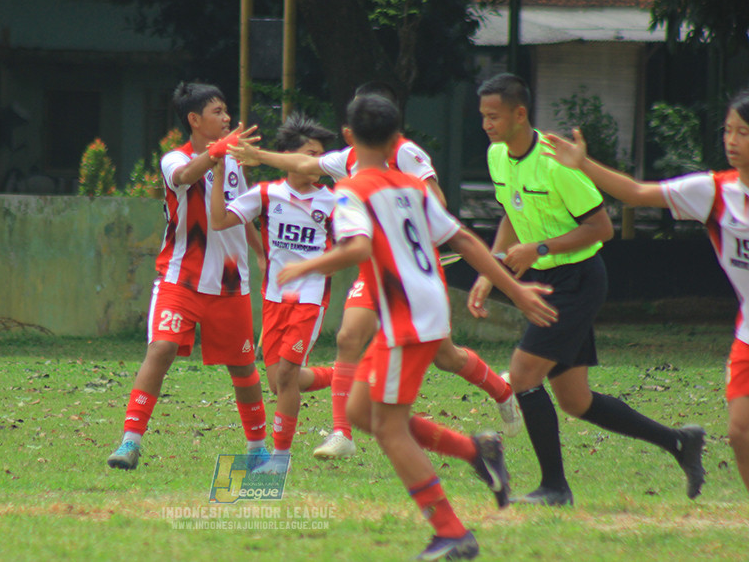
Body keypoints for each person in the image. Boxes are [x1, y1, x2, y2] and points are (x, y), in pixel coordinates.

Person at [278, 93, 558, 560]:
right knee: (362, 413)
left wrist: (308, 266)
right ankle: (476, 450)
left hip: (406, 315)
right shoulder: (411, 186)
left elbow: (358, 248)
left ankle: (452, 532)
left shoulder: (352, 188)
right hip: (422, 308)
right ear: (395, 140)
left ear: (347, 137)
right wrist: (516, 289)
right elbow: (464, 237)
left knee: (388, 429)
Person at [231, 83, 523, 462]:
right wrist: (257, 155)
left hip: (411, 274)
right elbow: (304, 165)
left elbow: (438, 206)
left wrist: (393, 223)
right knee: (350, 337)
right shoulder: (349, 161)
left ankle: (500, 392)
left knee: (445, 358)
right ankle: (343, 433)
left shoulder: (405, 155)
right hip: (375, 272)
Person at [469, 72, 706, 505]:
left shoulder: (556, 162)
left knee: (523, 375)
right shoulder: (496, 156)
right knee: (576, 400)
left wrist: (539, 246)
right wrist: (491, 269)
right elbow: (509, 214)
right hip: (545, 281)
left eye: (494, 116)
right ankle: (679, 442)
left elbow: (601, 228)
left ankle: (555, 488)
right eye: (483, 116)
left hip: (578, 280)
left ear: (520, 114)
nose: (486, 124)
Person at [544, 88, 749, 496]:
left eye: (743, 133)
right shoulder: (714, 191)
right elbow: (636, 194)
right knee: (740, 431)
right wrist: (583, 164)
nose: (731, 141)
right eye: (728, 130)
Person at [107, 81, 268, 470]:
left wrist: (264, 256)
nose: (227, 118)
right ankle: (129, 442)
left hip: (231, 284)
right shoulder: (172, 160)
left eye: (227, 111)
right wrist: (217, 152)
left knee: (243, 366)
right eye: (218, 112)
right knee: (160, 349)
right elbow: (187, 176)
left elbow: (242, 211)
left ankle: (258, 449)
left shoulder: (232, 162)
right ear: (194, 120)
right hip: (181, 277)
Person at [210, 113, 338, 474]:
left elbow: (352, 246)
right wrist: (219, 170)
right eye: (310, 154)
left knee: (285, 377)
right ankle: (343, 375)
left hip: (310, 298)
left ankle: (280, 459)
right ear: (288, 156)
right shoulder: (267, 194)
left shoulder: (333, 201)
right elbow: (219, 221)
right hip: (272, 299)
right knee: (281, 380)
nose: (316, 163)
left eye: (320, 155)